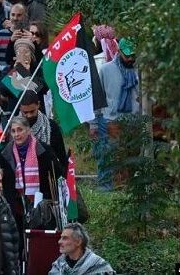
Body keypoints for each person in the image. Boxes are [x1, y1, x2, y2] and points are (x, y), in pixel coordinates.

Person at [0, 117, 64, 237]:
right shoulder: (4, 153)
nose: (16, 134)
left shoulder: (43, 149)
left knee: (38, 239)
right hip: (17, 205)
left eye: (20, 130)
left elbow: (58, 174)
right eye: (13, 131)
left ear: (28, 130)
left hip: (42, 205)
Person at [94, 38, 138, 191]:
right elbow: (98, 97)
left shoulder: (139, 71)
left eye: (133, 55)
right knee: (108, 153)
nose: (130, 59)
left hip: (133, 119)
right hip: (111, 118)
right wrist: (94, 123)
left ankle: (129, 186)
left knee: (132, 155)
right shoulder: (106, 70)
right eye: (127, 55)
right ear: (119, 51)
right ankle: (106, 187)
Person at [19, 90, 68, 168]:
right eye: (25, 112)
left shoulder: (51, 126)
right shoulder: (14, 129)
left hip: (48, 170)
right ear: (20, 108)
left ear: (38, 104)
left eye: (32, 111)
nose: (29, 115)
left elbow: (61, 155)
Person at [49, 223, 115, 275]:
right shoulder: (59, 265)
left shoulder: (98, 266)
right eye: (61, 238)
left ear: (78, 242)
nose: (59, 241)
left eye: (65, 238)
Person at [0, 4, 28, 81]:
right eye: (13, 15)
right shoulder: (0, 34)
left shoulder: (28, 35)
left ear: (25, 17)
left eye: (19, 15)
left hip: (22, 78)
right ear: (9, 15)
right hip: (1, 76)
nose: (15, 18)